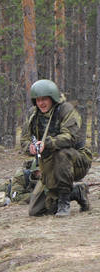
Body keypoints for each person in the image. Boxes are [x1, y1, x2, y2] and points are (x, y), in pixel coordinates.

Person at [20, 79, 92, 217]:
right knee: (36, 211)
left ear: (52, 97)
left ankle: (64, 201)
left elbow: (70, 137)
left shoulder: (66, 110)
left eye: (44, 99)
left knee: (62, 154)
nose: (41, 103)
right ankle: (77, 192)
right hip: (48, 163)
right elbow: (24, 139)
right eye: (38, 100)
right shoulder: (33, 114)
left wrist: (47, 143)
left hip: (76, 160)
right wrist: (30, 147)